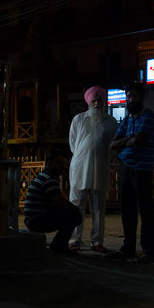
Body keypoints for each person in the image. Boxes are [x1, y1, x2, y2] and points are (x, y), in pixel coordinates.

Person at [107, 82, 154, 264]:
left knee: (146, 210)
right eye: (129, 97)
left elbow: (141, 139)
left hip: (142, 168)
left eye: (134, 96)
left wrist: (127, 142)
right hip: (125, 167)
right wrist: (129, 140)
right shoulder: (127, 120)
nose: (131, 100)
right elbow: (113, 144)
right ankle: (128, 248)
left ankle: (148, 251)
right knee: (127, 209)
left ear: (141, 98)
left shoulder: (149, 117)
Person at [68, 86, 118, 253]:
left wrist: (101, 159)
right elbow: (73, 144)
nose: (97, 104)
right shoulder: (78, 119)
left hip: (100, 168)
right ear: (88, 102)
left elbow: (113, 147)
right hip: (80, 168)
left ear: (104, 102)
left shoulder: (111, 122)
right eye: (94, 101)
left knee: (98, 207)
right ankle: (75, 240)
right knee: (77, 205)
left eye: (100, 101)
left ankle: (97, 241)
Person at [24, 149, 83, 256]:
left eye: (63, 163)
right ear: (49, 163)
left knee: (71, 212)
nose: (62, 166)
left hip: (35, 217)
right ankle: (58, 246)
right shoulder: (48, 179)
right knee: (74, 214)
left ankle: (58, 244)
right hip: (36, 219)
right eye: (59, 163)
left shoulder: (46, 176)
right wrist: (75, 208)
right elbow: (59, 200)